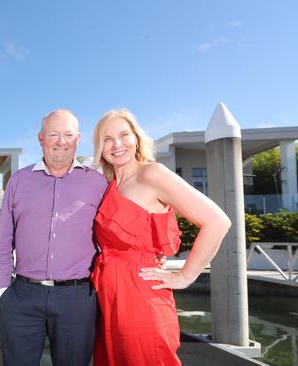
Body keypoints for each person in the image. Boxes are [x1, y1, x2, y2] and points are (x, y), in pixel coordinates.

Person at [90, 109, 231, 366]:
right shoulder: (109, 184)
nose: (117, 144)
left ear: (136, 138)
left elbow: (217, 221)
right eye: (107, 139)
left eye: (124, 134)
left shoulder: (152, 174)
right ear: (100, 147)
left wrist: (185, 276)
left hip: (141, 296)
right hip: (109, 298)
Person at [0, 109, 108, 366]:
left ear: (77, 139)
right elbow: (3, 240)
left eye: (67, 134)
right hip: (21, 296)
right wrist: (3, 292)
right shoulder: (19, 181)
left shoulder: (98, 183)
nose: (60, 141)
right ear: (40, 138)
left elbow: (112, 236)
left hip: (77, 300)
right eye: (53, 134)